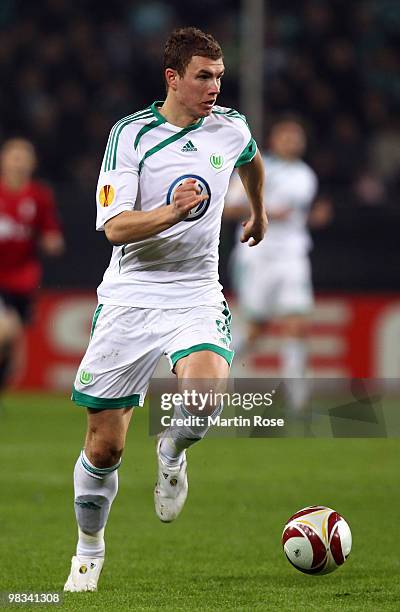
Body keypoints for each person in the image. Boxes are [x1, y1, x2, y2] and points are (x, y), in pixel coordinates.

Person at [64, 27, 267, 593]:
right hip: (131, 295)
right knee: (104, 445)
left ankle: (172, 451)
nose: (214, 87)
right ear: (173, 78)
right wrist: (171, 214)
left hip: (196, 291)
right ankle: (89, 549)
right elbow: (114, 227)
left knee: (205, 396)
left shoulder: (231, 128)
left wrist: (258, 210)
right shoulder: (130, 136)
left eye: (220, 77)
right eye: (204, 76)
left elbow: (251, 160)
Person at [225, 116, 331, 410]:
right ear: (274, 140)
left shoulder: (306, 175)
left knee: (297, 323)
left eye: (297, 137)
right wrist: (265, 210)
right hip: (257, 254)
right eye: (286, 136)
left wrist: (313, 219)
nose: (292, 141)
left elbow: (295, 215)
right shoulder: (255, 168)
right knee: (257, 328)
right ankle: (214, 374)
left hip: (292, 256)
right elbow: (229, 207)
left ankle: (297, 401)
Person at [0, 138, 65, 393]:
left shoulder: (39, 196)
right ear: (4, 161)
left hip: (23, 279)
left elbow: (50, 233)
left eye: (24, 157)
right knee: (4, 329)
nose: (19, 163)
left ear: (33, 163)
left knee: (12, 341)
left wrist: (52, 241)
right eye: (15, 156)